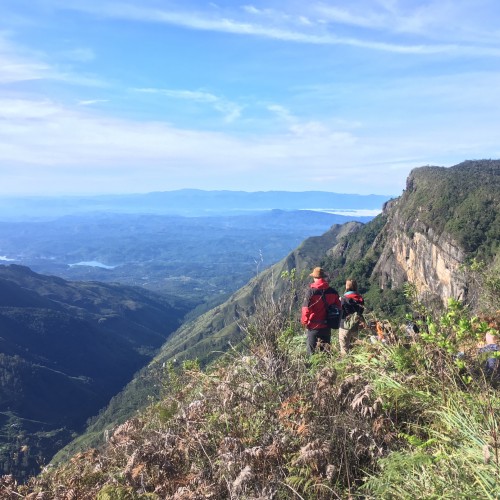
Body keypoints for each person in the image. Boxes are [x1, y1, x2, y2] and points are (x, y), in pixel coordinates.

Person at [301, 267, 341, 355]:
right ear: (323, 277)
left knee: (311, 354)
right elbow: (339, 307)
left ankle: (312, 368)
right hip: (327, 326)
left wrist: (304, 322)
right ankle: (327, 368)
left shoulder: (311, 292)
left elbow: (306, 309)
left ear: (314, 278)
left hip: (313, 326)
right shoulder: (333, 292)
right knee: (326, 353)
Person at [338, 279, 365, 355]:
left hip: (344, 326)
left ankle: (345, 365)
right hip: (356, 327)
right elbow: (361, 312)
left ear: (346, 287)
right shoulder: (360, 299)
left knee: (344, 350)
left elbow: (340, 313)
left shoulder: (343, 299)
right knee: (354, 350)